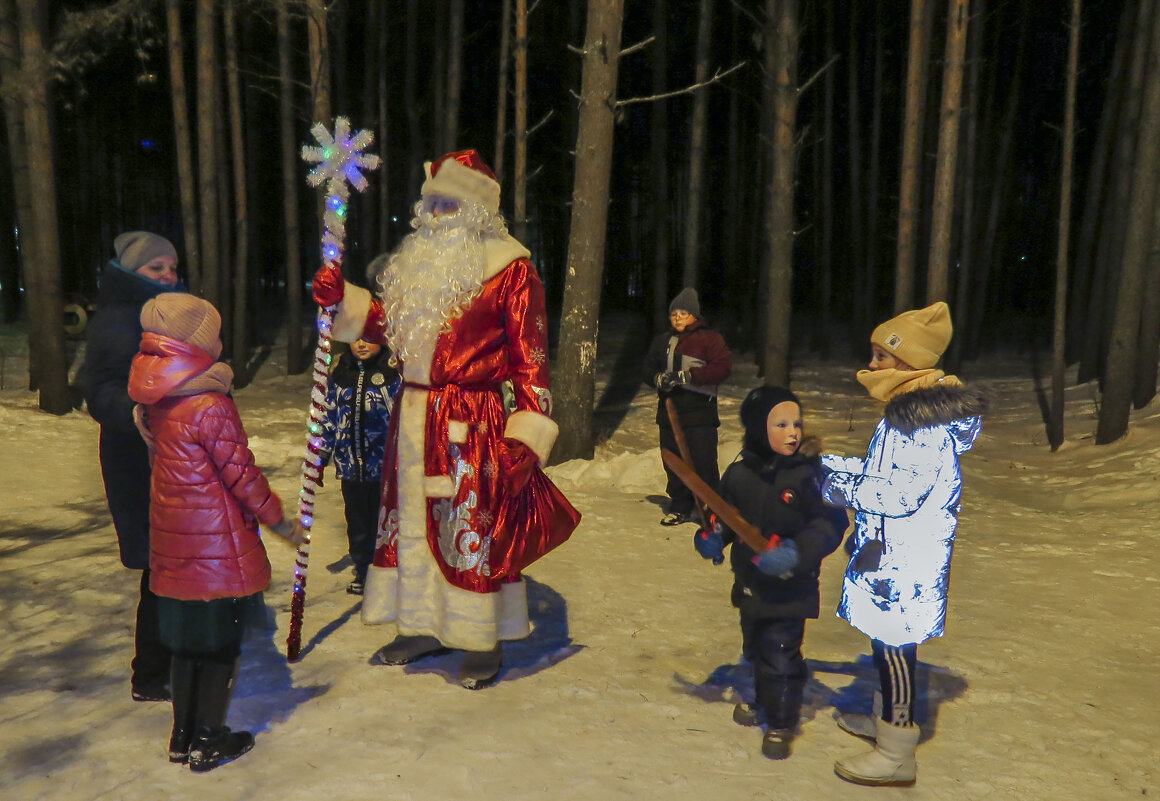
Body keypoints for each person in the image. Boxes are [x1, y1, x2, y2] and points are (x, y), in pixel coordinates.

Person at [311, 149, 580, 690]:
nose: (434, 212)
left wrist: (527, 433)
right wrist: (345, 302)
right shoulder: (414, 263)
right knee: (407, 524)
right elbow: (386, 323)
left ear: (476, 208)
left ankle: (479, 636)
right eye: (430, 202)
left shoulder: (510, 269)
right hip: (410, 416)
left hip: (470, 420)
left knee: (469, 531)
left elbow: (532, 357)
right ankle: (418, 624)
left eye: (447, 202)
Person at [128, 292, 304, 772]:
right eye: (215, 335)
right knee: (220, 646)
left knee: (187, 646)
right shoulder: (208, 405)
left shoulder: (155, 397)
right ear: (194, 342)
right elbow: (241, 475)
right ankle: (209, 738)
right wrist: (280, 521)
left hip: (173, 539)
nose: (221, 343)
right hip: (215, 547)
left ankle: (181, 736)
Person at [819, 301, 985, 786]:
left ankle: (897, 754)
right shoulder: (906, 411)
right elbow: (881, 475)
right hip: (890, 555)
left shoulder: (920, 424)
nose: (872, 366)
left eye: (881, 357)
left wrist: (832, 487)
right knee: (885, 646)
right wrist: (826, 463)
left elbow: (895, 493)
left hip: (904, 561)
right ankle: (885, 721)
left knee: (894, 649)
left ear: (909, 364)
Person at [693, 386, 847, 759]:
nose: (793, 431)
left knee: (780, 652)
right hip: (750, 583)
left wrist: (797, 553)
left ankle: (781, 720)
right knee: (755, 645)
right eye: (781, 424)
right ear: (759, 428)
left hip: (791, 586)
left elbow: (830, 524)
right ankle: (764, 699)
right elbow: (727, 515)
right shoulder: (740, 471)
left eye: (796, 422)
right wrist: (712, 536)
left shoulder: (811, 474)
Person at [80, 230, 181, 702]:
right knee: (160, 562)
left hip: (179, 452)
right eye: (154, 268)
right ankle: (151, 672)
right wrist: (133, 411)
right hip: (136, 456)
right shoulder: (119, 318)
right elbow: (98, 388)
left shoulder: (176, 315)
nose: (166, 275)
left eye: (170, 267)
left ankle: (176, 657)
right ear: (130, 272)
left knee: (179, 557)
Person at [642, 287, 732, 526]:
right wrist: (657, 379)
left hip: (700, 415)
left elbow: (722, 369)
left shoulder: (710, 339)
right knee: (674, 464)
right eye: (674, 314)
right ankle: (681, 506)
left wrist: (687, 377)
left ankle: (712, 512)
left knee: (703, 465)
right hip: (669, 415)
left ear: (694, 315)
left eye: (683, 313)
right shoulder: (663, 341)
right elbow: (647, 368)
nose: (677, 318)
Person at [316, 338, 400, 595]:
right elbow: (329, 418)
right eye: (356, 339)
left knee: (385, 522)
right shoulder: (341, 377)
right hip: (350, 466)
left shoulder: (392, 376)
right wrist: (320, 456)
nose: (361, 344)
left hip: (385, 470)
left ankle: (389, 571)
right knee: (358, 522)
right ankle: (364, 569)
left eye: (368, 338)